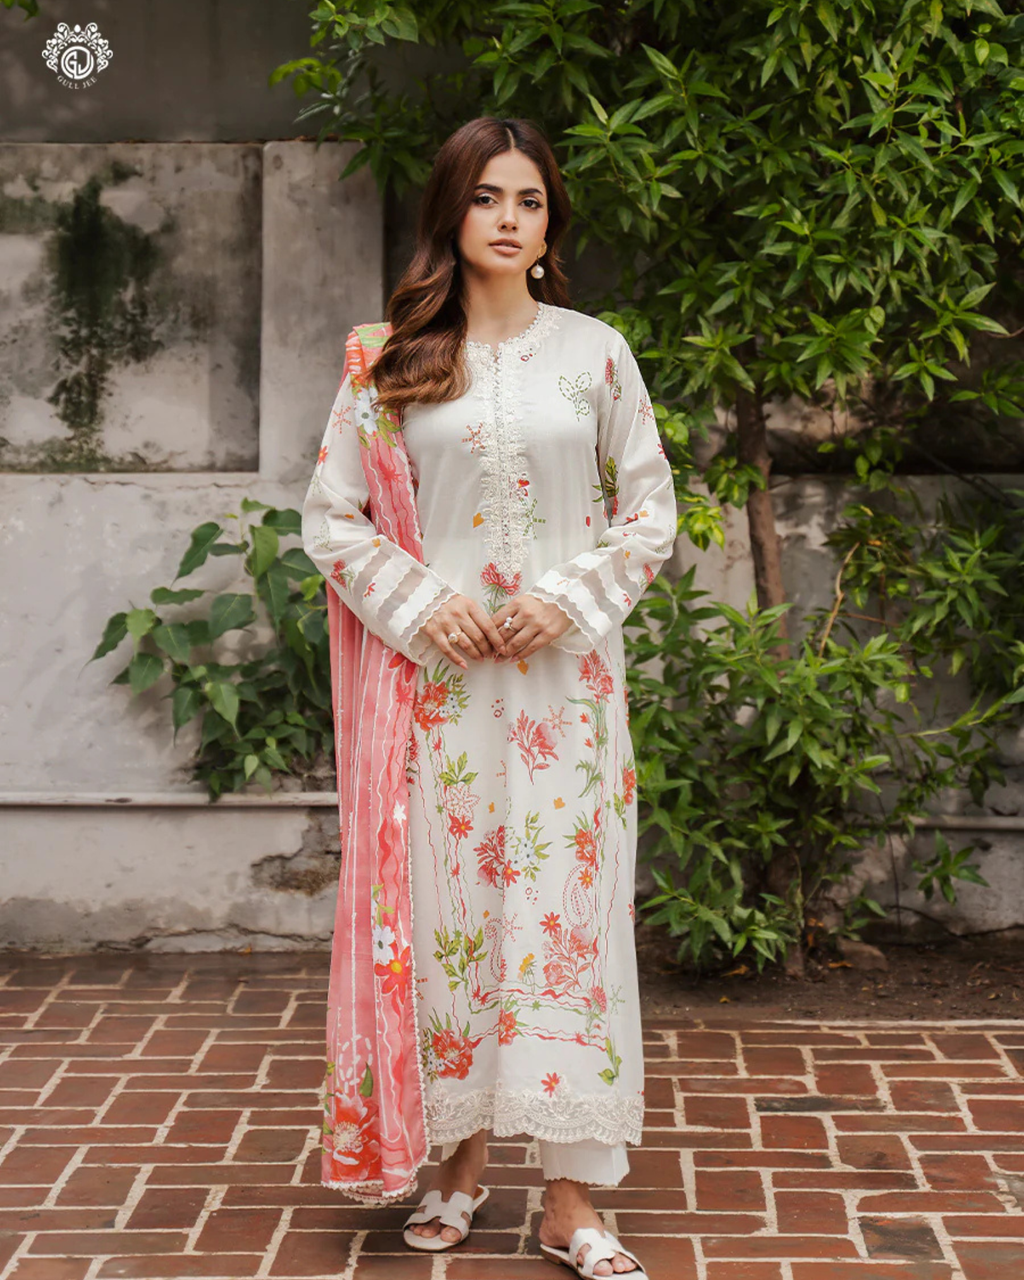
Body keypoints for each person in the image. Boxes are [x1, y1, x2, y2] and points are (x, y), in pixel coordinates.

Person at [302, 115, 678, 1280]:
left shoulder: (595, 352)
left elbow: (649, 510)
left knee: (567, 928)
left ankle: (569, 1200)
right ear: (451, 215)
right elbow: (334, 516)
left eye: (529, 199)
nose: (510, 218)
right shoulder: (396, 357)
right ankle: (456, 1166)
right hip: (444, 699)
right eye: (486, 198)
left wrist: (567, 598)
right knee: (451, 921)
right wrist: (421, 603)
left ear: (549, 219)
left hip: (568, 692)